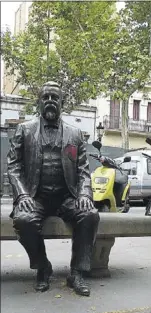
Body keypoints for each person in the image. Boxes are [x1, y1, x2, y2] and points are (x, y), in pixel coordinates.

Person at [7, 81, 100, 296]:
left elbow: (83, 170)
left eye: (54, 98)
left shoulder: (74, 134)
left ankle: (77, 272)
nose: (50, 102)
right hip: (35, 196)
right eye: (46, 97)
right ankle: (42, 266)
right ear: (39, 101)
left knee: (89, 214)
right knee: (23, 220)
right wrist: (21, 194)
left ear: (61, 102)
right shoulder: (25, 129)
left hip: (66, 196)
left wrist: (85, 194)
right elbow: (13, 166)